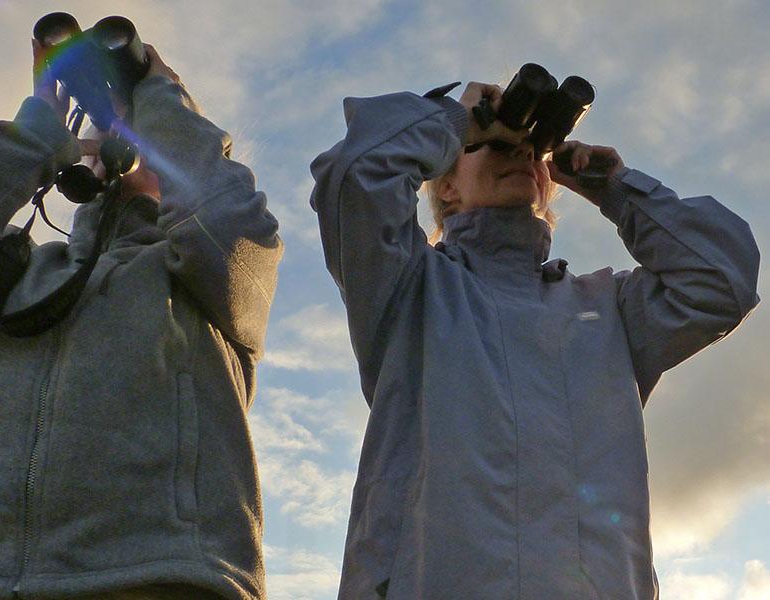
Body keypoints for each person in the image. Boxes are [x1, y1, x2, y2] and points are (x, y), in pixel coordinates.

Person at [309, 80, 760, 599]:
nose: (521, 152)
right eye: (497, 146)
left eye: (531, 149)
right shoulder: (411, 289)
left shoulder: (607, 309)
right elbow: (354, 177)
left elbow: (722, 280)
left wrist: (612, 186)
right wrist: (460, 121)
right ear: (447, 186)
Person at [0, 39, 282, 600]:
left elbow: (231, 225)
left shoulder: (209, 284)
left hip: (153, 581)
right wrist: (35, 135)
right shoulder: (5, 277)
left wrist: (160, 95)